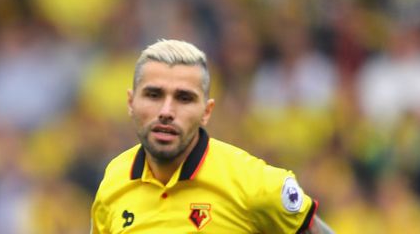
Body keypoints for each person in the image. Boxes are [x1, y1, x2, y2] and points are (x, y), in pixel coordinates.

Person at [90, 39, 335, 233]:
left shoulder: (254, 184)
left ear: (206, 112)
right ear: (131, 102)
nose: (166, 111)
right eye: (154, 95)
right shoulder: (114, 182)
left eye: (184, 98)